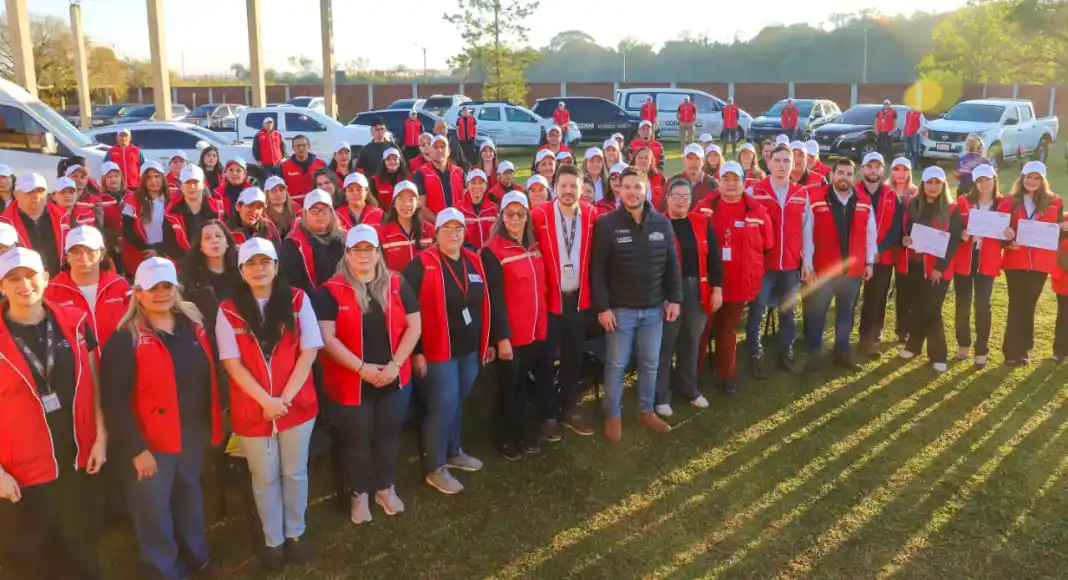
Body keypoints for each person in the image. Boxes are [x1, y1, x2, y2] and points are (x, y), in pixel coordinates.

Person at [101, 257, 223, 580]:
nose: (161, 294)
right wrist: (136, 449)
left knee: (189, 499)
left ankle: (198, 558)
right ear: (137, 293)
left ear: (176, 289)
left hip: (191, 435)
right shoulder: (124, 339)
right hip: (151, 445)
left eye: (166, 286)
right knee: (153, 511)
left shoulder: (194, 325)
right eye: (152, 288)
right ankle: (165, 569)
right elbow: (113, 401)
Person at [0, 248, 107, 580]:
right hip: (21, 473)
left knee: (81, 550)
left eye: (30, 275)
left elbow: (94, 380)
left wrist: (101, 436)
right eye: (13, 279)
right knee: (32, 561)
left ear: (45, 278)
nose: (24, 284)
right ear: (1, 286)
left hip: (77, 458)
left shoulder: (75, 320)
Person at [216, 238, 321, 569]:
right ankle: (272, 538)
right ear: (241, 271)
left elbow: (309, 351)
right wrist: (266, 401)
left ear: (276, 266)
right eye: (252, 264)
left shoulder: (298, 300)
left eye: (266, 262)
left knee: (295, 471)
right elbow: (233, 364)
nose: (259, 269)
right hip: (253, 410)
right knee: (263, 478)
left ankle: (296, 533)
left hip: (296, 405)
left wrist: (284, 400)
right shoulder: (228, 310)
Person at [315, 224, 421, 522]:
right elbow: (326, 337)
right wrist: (361, 369)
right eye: (356, 249)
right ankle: (359, 493)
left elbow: (414, 326)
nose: (363, 255)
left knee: (388, 434)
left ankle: (385, 488)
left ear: (378, 253)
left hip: (393, 377)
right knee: (357, 439)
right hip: (351, 382)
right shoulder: (330, 291)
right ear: (347, 254)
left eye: (369, 249)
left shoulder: (397, 284)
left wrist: (395, 366)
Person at [402, 208, 491, 494]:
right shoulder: (422, 264)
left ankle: (454, 451)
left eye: (459, 229)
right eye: (447, 229)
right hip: (437, 350)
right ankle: (435, 467)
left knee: (456, 402)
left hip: (468, 349)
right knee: (443, 405)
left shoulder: (473, 260)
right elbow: (406, 307)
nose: (454, 234)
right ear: (436, 233)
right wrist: (416, 350)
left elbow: (482, 302)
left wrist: (487, 340)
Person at [590, 167, 682, 441]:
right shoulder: (607, 224)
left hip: (654, 310)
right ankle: (613, 415)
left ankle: (645, 410)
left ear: (646, 190)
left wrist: (675, 298)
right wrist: (603, 307)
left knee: (650, 363)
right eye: (626, 187)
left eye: (637, 187)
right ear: (618, 191)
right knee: (617, 364)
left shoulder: (662, 223)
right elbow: (596, 270)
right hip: (620, 311)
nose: (631, 192)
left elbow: (672, 266)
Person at [531, 165, 597, 441]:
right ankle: (548, 413)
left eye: (574, 186)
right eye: (564, 186)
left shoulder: (593, 215)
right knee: (546, 359)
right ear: (554, 187)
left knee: (573, 357)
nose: (569, 191)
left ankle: (569, 409)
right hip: (549, 302)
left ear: (581, 189)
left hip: (578, 300)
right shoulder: (538, 215)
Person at [481, 191, 548, 458]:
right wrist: (502, 338)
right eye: (510, 214)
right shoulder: (493, 251)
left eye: (521, 214)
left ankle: (520, 431)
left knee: (523, 384)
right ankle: (505, 436)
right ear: (501, 216)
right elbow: (494, 297)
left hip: (533, 329)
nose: (515, 219)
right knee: (509, 386)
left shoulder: (534, 245)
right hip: (511, 334)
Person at [699, 162, 772, 394]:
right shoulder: (703, 209)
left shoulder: (757, 211)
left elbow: (767, 245)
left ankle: (727, 374)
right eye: (725, 179)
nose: (731, 184)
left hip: (738, 285)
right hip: (709, 285)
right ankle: (694, 375)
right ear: (717, 182)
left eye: (736, 179)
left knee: (727, 331)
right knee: (701, 331)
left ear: (744, 183)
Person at [802, 158, 877, 372]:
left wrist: (869, 262)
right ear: (832, 174)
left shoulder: (863, 199)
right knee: (818, 312)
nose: (844, 178)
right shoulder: (815, 197)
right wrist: (807, 263)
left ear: (854, 177)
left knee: (846, 313)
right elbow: (807, 233)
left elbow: (871, 234)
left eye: (848, 174)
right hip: (823, 268)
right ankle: (814, 354)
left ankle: (842, 352)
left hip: (852, 270)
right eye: (840, 173)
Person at [655, 179, 720, 417]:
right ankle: (661, 395)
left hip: (697, 288)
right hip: (669, 291)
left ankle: (689, 389)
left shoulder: (701, 222)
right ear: (668, 197)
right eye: (677, 195)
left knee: (692, 340)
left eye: (686, 196)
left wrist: (717, 288)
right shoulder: (659, 223)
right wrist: (662, 296)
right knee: (666, 343)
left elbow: (713, 257)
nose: (681, 200)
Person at [746, 145, 810, 377]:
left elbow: (807, 231)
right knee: (757, 310)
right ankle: (755, 355)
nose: (782, 165)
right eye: (778, 160)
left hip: (791, 265)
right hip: (764, 265)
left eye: (787, 161)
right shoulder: (756, 191)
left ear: (793, 165)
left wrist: (808, 261)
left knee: (789, 312)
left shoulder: (802, 193)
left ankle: (786, 353)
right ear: (769, 163)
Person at [899, 166, 963, 372]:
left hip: (938, 268)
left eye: (938, 182)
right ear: (923, 184)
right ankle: (914, 346)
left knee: (933, 310)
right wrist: (905, 239)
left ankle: (939, 354)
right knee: (917, 306)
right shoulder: (912, 204)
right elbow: (907, 231)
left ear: (943, 185)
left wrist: (939, 267)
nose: (933, 187)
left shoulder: (952, 210)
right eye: (930, 182)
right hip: (916, 264)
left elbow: (953, 242)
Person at [1000, 161, 1063, 365]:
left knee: (1029, 305)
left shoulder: (1055, 202)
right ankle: (1011, 352)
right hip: (1015, 260)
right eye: (1029, 177)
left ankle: (1025, 348)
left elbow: (1057, 233)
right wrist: (1007, 240)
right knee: (1016, 304)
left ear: (1043, 180)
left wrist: (1062, 227)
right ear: (1022, 178)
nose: (1032, 181)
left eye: (1037, 178)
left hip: (1040, 263)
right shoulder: (1009, 201)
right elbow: (1000, 230)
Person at [44, 225, 130, 356]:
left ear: (102, 253)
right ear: (66, 256)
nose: (83, 259)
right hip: (79, 371)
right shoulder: (52, 291)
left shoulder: (120, 286)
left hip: (119, 367)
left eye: (90, 252)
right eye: (75, 252)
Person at [951, 163, 1002, 368]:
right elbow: (953, 228)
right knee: (962, 303)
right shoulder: (963, 202)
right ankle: (963, 343)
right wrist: (960, 234)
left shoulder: (1003, 204)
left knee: (983, 305)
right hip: (965, 258)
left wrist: (1009, 235)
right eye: (979, 180)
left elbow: (1012, 231)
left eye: (987, 179)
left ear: (994, 179)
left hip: (987, 260)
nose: (983, 184)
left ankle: (982, 349)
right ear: (974, 182)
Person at [856, 152, 906, 354]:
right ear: (862, 169)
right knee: (850, 299)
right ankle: (844, 340)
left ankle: (869, 336)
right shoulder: (853, 191)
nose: (873, 170)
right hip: (855, 255)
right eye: (870, 166)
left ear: (882, 170)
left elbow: (896, 227)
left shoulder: (891, 195)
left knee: (876, 297)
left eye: (878, 167)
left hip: (882, 256)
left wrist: (879, 248)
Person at [1, 173, 71, 277]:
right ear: (16, 194)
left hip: (61, 284)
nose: (36, 196)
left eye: (40, 191)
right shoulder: (4, 225)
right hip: (27, 287)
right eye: (29, 191)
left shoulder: (65, 218)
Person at [179, 219, 239, 340]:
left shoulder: (242, 274)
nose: (214, 240)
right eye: (207, 238)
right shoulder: (190, 279)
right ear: (200, 246)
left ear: (227, 242)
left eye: (218, 236)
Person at [281, 189, 346, 293]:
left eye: (324, 210)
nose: (320, 215)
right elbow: (291, 285)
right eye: (314, 210)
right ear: (305, 213)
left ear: (331, 212)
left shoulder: (344, 239)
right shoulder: (294, 245)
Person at [162, 165, 226, 262]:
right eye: (187, 182)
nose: (192, 187)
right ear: (181, 186)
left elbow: (225, 237)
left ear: (203, 184)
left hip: (214, 261)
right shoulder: (171, 211)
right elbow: (169, 244)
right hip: (184, 264)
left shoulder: (218, 208)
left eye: (195, 182)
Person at [121, 161, 168, 274]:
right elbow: (127, 231)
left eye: (157, 176)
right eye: (148, 178)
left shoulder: (172, 199)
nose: (153, 181)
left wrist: (159, 250)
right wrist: (147, 249)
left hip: (167, 253)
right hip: (143, 254)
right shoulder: (133, 201)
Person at [377, 181, 434, 272]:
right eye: (401, 199)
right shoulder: (382, 233)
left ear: (417, 204)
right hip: (396, 285)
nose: (406, 204)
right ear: (394, 204)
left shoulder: (430, 230)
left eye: (411, 199)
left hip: (425, 285)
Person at [413, 135, 465, 218]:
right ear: (430, 150)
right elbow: (421, 206)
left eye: (442, 147)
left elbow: (466, 201)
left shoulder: (460, 172)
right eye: (435, 147)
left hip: (457, 224)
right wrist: (440, 223)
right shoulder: (420, 174)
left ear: (448, 151)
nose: (439, 150)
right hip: (434, 226)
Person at [457, 169, 498, 250]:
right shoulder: (458, 209)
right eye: (473, 182)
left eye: (481, 183)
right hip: (468, 255)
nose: (477, 186)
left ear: (486, 186)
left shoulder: (494, 208)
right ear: (467, 185)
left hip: (490, 253)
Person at [281, 135, 327, 205]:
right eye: (298, 146)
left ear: (308, 146)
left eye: (304, 145)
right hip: (294, 207)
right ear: (293, 148)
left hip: (317, 205)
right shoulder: (283, 166)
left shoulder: (321, 164)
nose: (301, 148)